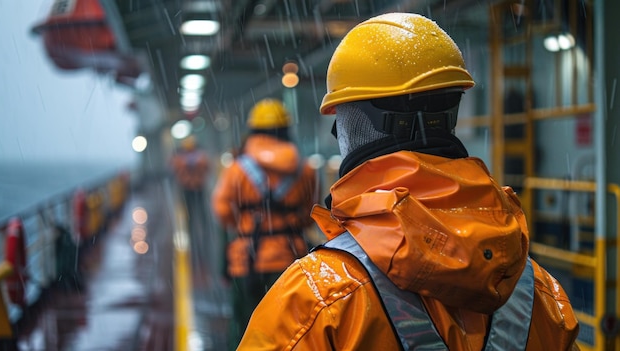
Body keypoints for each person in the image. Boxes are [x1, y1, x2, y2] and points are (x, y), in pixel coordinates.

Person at [237, 13, 580, 350]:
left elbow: (226, 210)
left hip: (252, 257)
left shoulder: (316, 298)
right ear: (450, 116)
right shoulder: (538, 292)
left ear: (354, 125)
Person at [211, 98, 318, 349]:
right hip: (289, 260)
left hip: (246, 262)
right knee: (289, 328)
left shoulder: (237, 169)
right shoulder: (305, 170)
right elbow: (309, 214)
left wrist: (246, 225)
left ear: (253, 130)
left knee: (245, 326)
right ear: (286, 130)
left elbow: (223, 211)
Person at [169, 135, 210, 236]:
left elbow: (206, 166)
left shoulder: (197, 156)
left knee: (200, 210)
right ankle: (194, 230)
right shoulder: (183, 158)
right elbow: (175, 167)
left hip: (196, 187)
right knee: (192, 211)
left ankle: (201, 230)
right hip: (189, 188)